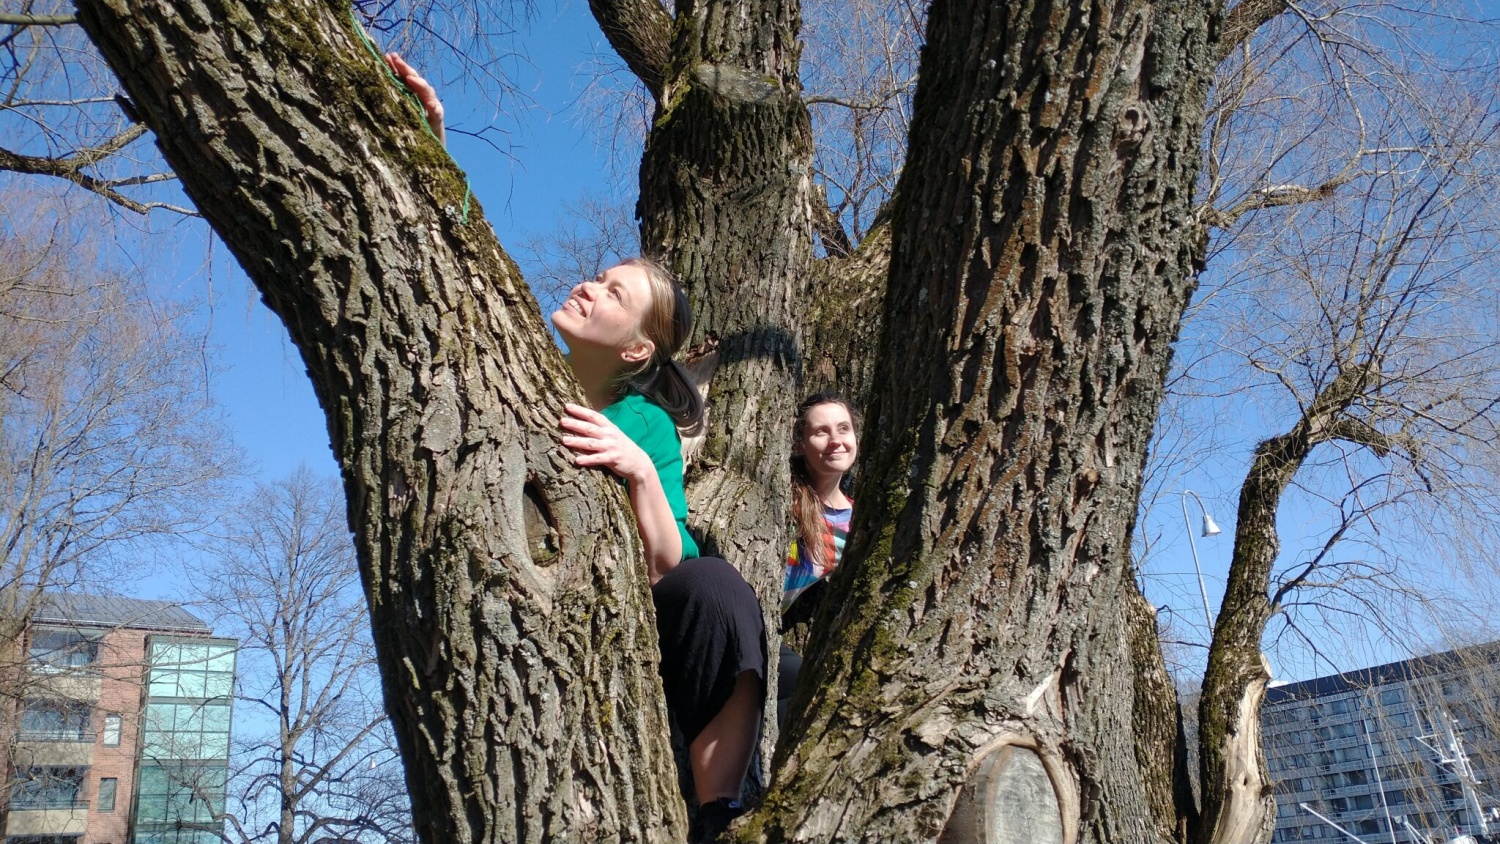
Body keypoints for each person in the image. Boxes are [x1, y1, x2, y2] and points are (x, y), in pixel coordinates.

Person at [384, 56, 763, 843]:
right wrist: (430, 144)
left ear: (637, 350)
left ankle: (718, 817)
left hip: (644, 653)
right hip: (519, 630)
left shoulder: (648, 426)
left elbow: (674, 571)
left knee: (723, 589)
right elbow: (454, 278)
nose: (590, 286)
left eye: (614, 293)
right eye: (597, 276)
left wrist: (634, 471)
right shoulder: (515, 369)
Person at [777, 392, 858, 721]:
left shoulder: (857, 522)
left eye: (844, 428)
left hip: (766, 630)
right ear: (799, 444)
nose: (836, 440)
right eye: (821, 431)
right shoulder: (780, 493)